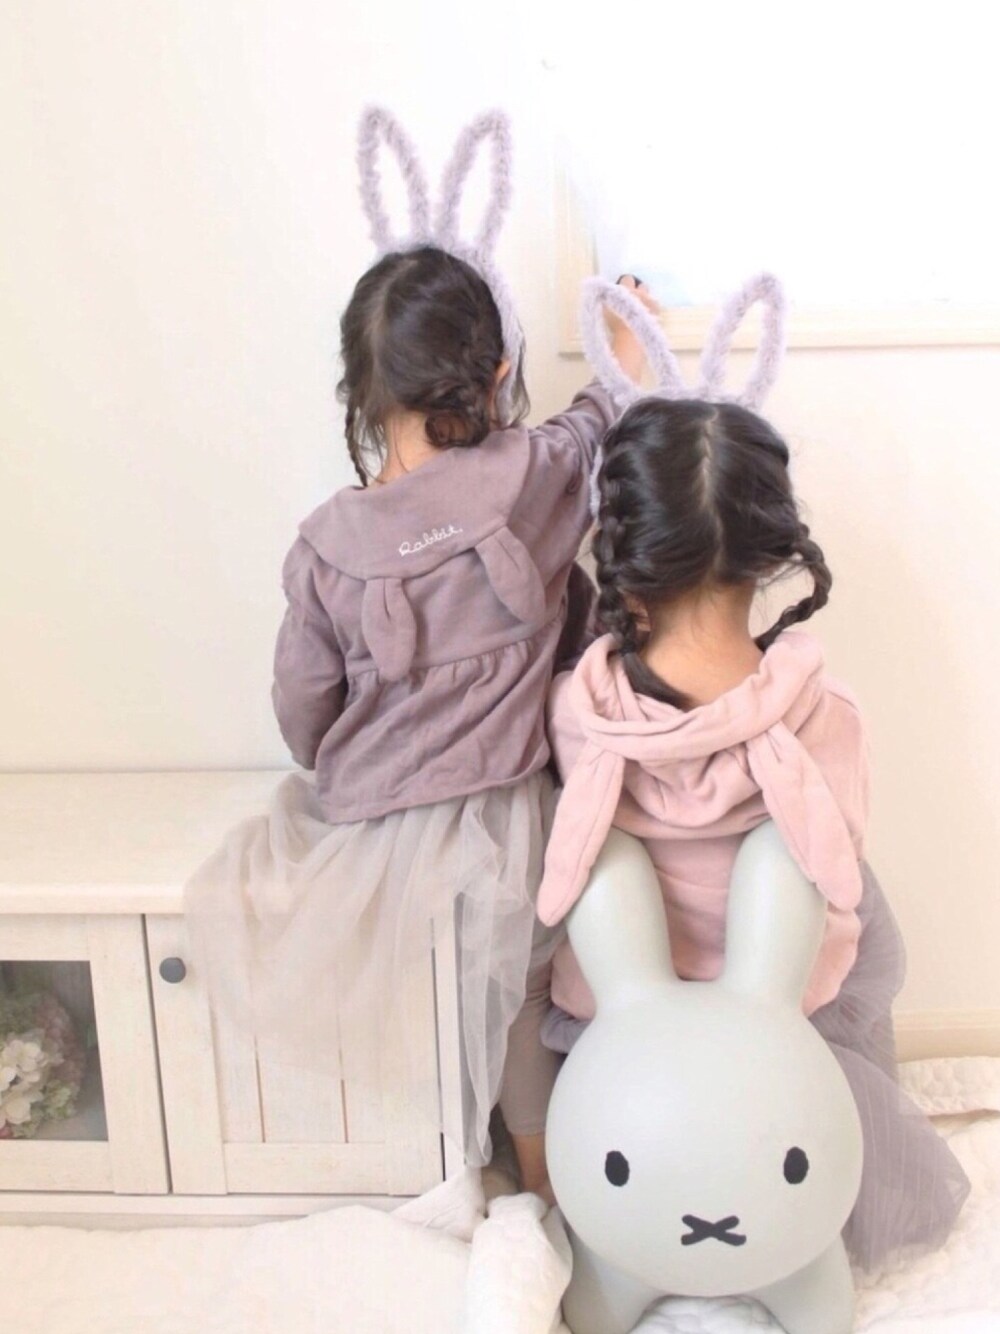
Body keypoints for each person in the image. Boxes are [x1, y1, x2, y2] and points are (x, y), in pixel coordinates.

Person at [537, 391, 970, 1265]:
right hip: (782, 1015)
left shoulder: (576, 715)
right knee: (857, 905)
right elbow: (834, 877)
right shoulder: (826, 715)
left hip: (628, 1024)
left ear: (624, 566)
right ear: (769, 556)